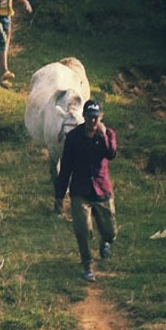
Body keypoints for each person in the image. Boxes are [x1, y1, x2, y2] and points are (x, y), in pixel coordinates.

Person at [53, 98, 118, 281]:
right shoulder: (73, 137)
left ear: (101, 117)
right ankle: (87, 265)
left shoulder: (108, 134)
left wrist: (103, 135)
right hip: (80, 190)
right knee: (82, 229)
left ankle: (105, 241)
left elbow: (111, 154)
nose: (92, 121)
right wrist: (59, 195)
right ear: (84, 117)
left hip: (102, 189)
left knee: (111, 231)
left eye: (96, 118)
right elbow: (66, 167)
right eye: (89, 117)